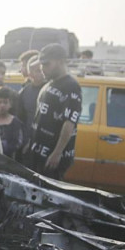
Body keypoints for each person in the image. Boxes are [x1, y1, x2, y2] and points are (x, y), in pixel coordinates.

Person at [22, 43, 81, 180]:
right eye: (41, 64)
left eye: (46, 64)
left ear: (60, 62)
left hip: (51, 158)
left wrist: (57, 153)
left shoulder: (71, 86)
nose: (42, 68)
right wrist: (30, 142)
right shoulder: (49, 83)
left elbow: (69, 122)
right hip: (37, 153)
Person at [0, 85, 27, 159]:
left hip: (9, 160)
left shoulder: (15, 122)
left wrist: (2, 147)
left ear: (10, 104)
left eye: (5, 102)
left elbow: (17, 143)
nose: (2, 105)